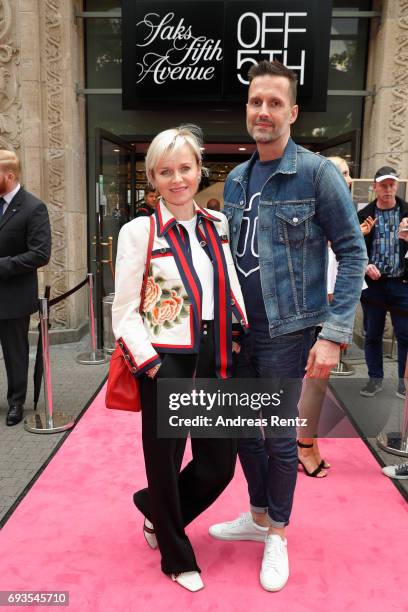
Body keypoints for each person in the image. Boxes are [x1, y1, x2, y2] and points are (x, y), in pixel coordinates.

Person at [208, 60, 367, 592]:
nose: (264, 112)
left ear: (292, 112)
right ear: (247, 109)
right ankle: (256, 516)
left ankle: (277, 532)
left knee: (278, 438)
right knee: (242, 434)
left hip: (288, 330)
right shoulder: (233, 178)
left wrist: (333, 332)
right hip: (240, 332)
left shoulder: (317, 174)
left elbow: (351, 250)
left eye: (275, 103)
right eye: (256, 102)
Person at [112, 125, 248, 592]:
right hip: (165, 356)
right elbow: (126, 309)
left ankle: (156, 508)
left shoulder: (217, 224)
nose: (177, 179)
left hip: (215, 355)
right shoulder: (138, 231)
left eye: (185, 168)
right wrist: (148, 363)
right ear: (153, 177)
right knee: (165, 461)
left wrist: (238, 330)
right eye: (166, 171)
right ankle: (175, 554)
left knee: (218, 463)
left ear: (198, 170)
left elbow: (228, 283)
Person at [297, 156, 375, 477]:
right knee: (308, 381)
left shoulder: (350, 215)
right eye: (333, 171)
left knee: (317, 381)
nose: (341, 177)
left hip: (335, 308)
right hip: (306, 309)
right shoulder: (308, 210)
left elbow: (352, 261)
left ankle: (305, 443)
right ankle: (303, 446)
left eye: (345, 172)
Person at [0, 150, 51, 425]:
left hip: (13, 298)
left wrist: (2, 265)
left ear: (9, 175)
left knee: (15, 354)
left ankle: (16, 403)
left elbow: (40, 254)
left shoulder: (34, 207)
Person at [358, 166, 408, 399]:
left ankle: (403, 383)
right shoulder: (364, 214)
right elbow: (352, 248)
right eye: (383, 185)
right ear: (375, 187)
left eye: (392, 185)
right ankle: (374, 380)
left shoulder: (407, 213)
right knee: (373, 334)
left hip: (402, 283)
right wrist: (366, 264)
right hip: (374, 285)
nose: (388, 189)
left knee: (405, 335)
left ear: (396, 186)